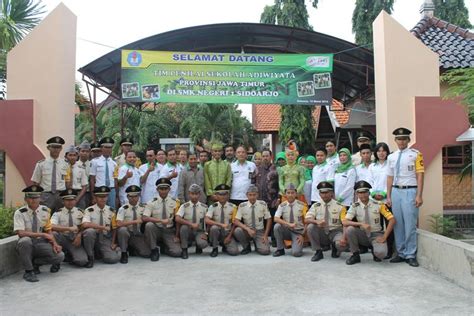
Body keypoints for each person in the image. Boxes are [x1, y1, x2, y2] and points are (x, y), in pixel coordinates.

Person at [386, 127, 424, 267]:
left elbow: (420, 175)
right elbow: (390, 177)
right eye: (399, 139)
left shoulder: (416, 154)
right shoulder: (392, 156)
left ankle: (410, 254)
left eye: (404, 139)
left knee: (410, 224)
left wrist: (419, 195)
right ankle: (400, 253)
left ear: (408, 140)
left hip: (410, 191)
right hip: (396, 192)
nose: (401, 141)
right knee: (398, 224)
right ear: (395, 140)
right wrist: (388, 196)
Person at [14, 185, 64, 282]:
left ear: (40, 198)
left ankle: (35, 263)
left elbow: (49, 230)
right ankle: (29, 271)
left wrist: (55, 244)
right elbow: (21, 233)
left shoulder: (45, 211)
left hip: (40, 243)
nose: (33, 200)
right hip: (26, 244)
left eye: (36, 197)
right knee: (25, 241)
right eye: (30, 197)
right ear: (25, 199)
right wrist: (42, 234)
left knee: (60, 256)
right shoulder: (19, 213)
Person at [342, 180, 396, 265]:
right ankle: (355, 255)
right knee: (350, 229)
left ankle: (375, 252)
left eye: (365, 192)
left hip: (376, 234)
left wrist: (384, 237)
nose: (362, 195)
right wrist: (360, 224)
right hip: (362, 234)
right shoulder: (354, 206)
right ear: (357, 194)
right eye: (360, 193)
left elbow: (392, 220)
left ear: (369, 193)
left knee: (381, 253)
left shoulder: (379, 204)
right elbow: (345, 222)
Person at [305, 181, 346, 262]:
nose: (324, 195)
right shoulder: (316, 206)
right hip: (322, 232)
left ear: (331, 193)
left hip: (335, 232)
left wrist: (344, 238)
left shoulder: (340, 206)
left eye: (326, 192)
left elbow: (345, 223)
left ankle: (335, 247)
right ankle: (318, 252)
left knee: (342, 246)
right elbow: (306, 219)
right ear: (319, 194)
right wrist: (316, 221)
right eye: (322, 193)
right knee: (311, 227)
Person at [142, 178, 182, 261]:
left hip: (169, 230)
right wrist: (160, 221)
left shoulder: (175, 202)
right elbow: (144, 217)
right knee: (149, 225)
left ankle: (164, 248)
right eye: (161, 189)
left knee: (177, 252)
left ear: (169, 189)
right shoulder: (151, 202)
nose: (163, 191)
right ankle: (154, 250)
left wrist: (177, 235)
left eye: (165, 189)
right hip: (156, 229)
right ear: (157, 189)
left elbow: (178, 220)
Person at [82, 186, 121, 267]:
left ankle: (115, 250)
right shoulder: (89, 210)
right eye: (100, 197)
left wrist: (113, 242)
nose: (102, 199)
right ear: (95, 198)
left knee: (112, 259)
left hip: (104, 238)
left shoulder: (111, 211)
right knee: (89, 231)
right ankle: (90, 257)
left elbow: (114, 228)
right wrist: (102, 227)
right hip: (93, 237)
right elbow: (85, 224)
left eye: (105, 196)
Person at [31, 136, 69, 212]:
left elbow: (67, 182)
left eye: (58, 147)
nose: (56, 149)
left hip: (60, 195)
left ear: (61, 149)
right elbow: (36, 183)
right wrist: (38, 197)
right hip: (46, 196)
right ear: (48, 148)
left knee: (60, 219)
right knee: (44, 218)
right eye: (53, 147)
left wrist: (66, 196)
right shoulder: (41, 164)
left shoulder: (65, 164)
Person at [51, 189, 88, 267]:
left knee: (82, 261)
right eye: (67, 200)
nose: (70, 202)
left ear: (75, 200)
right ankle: (56, 262)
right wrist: (68, 228)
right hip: (63, 238)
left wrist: (79, 235)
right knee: (54, 234)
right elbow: (51, 226)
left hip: (75, 240)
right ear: (63, 201)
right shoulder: (57, 213)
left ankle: (70, 255)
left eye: (72, 200)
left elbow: (86, 226)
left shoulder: (81, 212)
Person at [233, 185, 272, 255]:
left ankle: (257, 244)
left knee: (265, 251)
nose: (252, 197)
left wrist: (265, 235)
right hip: (247, 231)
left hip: (259, 231)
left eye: (254, 195)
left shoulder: (262, 204)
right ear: (247, 195)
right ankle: (246, 247)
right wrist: (247, 229)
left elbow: (269, 219)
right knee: (237, 231)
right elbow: (236, 221)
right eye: (250, 195)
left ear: (258, 195)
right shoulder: (242, 206)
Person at [116, 185, 150, 264]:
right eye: (131, 196)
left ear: (139, 196)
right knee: (122, 230)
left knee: (147, 253)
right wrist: (134, 222)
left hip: (137, 235)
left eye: (136, 196)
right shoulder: (123, 208)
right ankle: (124, 253)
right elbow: (118, 223)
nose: (133, 198)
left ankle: (133, 249)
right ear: (127, 197)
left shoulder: (143, 207)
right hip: (127, 233)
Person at [272, 183, 307, 257]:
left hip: (298, 232)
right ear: (285, 194)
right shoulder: (282, 205)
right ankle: (280, 249)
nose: (290, 195)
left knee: (296, 253)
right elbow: (276, 218)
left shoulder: (302, 205)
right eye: (288, 193)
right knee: (277, 226)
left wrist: (303, 235)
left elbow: (307, 221)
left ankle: (297, 245)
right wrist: (288, 224)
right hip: (286, 230)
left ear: (296, 194)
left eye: (292, 193)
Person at [175, 184, 209, 259]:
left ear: (199, 194)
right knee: (183, 228)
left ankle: (198, 246)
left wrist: (206, 234)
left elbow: (208, 222)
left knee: (203, 244)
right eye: (192, 194)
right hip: (188, 230)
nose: (194, 196)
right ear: (189, 194)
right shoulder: (184, 206)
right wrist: (190, 224)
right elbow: (177, 218)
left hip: (199, 231)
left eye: (196, 194)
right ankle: (184, 249)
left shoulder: (204, 207)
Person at [205, 184, 239, 257]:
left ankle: (225, 246)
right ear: (216, 195)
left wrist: (229, 236)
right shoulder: (213, 206)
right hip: (216, 233)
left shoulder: (233, 207)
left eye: (225, 194)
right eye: (220, 194)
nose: (222, 196)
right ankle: (215, 248)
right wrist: (220, 224)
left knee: (234, 252)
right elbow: (207, 220)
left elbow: (235, 223)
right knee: (214, 228)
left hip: (227, 233)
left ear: (228, 195)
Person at [90, 137, 117, 209]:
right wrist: (93, 196)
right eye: (106, 147)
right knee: (99, 210)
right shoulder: (95, 161)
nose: (109, 149)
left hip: (111, 190)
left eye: (110, 147)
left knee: (112, 211)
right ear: (101, 148)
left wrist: (116, 195)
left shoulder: (114, 163)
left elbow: (115, 179)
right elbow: (92, 179)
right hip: (99, 191)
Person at [64, 145, 88, 209]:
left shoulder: (81, 168)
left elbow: (84, 186)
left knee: (80, 215)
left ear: (77, 156)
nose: (72, 157)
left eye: (74, 155)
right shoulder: (62, 168)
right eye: (70, 155)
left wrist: (77, 199)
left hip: (79, 194)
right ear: (66, 156)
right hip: (66, 195)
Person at [78, 141, 92, 207]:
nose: (85, 153)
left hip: (89, 193)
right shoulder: (74, 165)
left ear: (89, 153)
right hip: (78, 193)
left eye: (87, 151)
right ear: (79, 152)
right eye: (83, 151)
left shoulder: (93, 165)